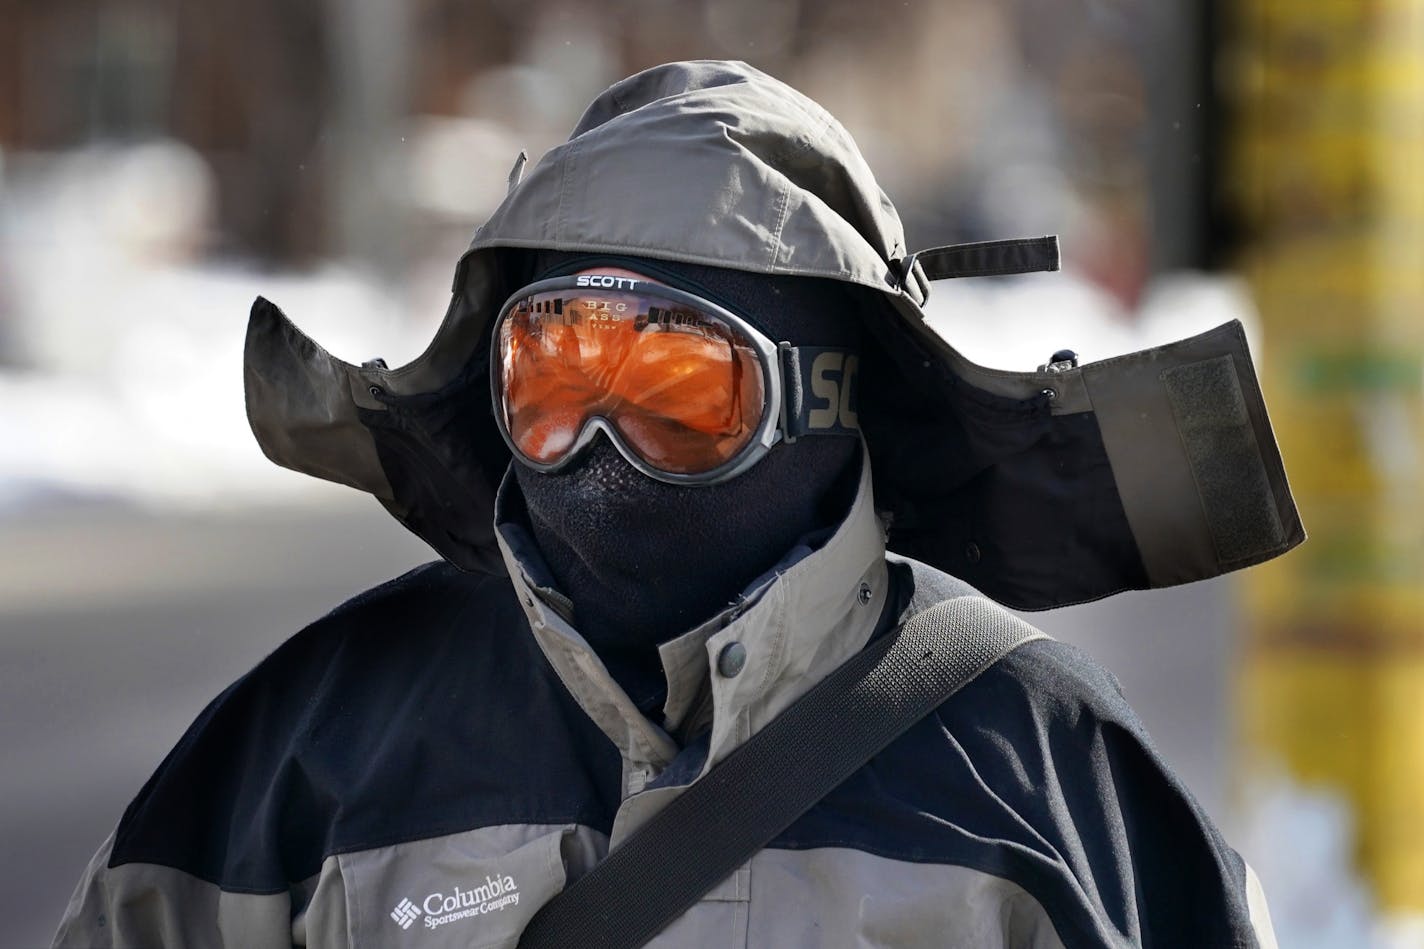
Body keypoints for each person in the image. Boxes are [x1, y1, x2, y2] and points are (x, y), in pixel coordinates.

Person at [55, 60, 1301, 948]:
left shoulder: (1041, 766)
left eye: (675, 385)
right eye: (551, 375)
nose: (596, 446)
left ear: (823, 398)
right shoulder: (323, 733)